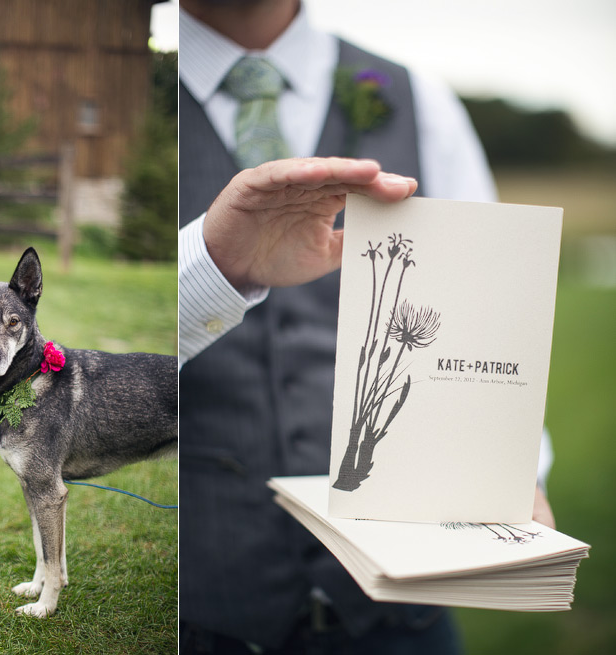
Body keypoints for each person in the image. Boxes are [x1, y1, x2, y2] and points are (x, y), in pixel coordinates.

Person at [177, 0, 556, 653]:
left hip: (400, 620)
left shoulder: (418, 97)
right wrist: (211, 268)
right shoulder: (122, 86)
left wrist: (515, 466)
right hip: (197, 614)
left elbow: (489, 301)